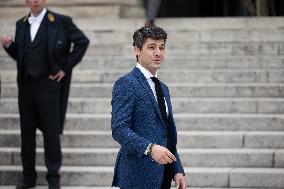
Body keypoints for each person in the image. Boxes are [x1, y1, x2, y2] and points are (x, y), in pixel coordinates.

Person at [0, 0, 89, 188]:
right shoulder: (21, 24)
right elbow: (24, 56)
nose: (36, 0)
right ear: (26, 1)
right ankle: (28, 178)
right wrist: (10, 46)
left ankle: (53, 179)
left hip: (49, 87)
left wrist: (65, 68)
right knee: (27, 134)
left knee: (51, 133)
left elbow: (82, 42)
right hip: (26, 88)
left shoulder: (60, 21)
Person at [111, 26, 186, 189]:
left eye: (162, 47)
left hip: (163, 176)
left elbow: (167, 134)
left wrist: (176, 168)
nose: (158, 52)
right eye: (152, 47)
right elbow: (119, 129)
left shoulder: (163, 88)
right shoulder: (126, 83)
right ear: (137, 51)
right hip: (137, 177)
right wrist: (149, 149)